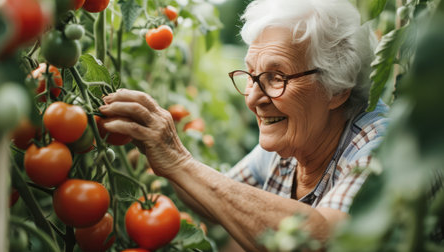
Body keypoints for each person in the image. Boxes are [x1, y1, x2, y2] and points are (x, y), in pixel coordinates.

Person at [98, 0, 389, 250]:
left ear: (337, 89)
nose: (253, 97)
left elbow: (323, 240)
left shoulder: (380, 146)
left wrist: (179, 160)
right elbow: (220, 198)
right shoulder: (295, 137)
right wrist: (157, 149)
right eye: (251, 75)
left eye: (277, 77)